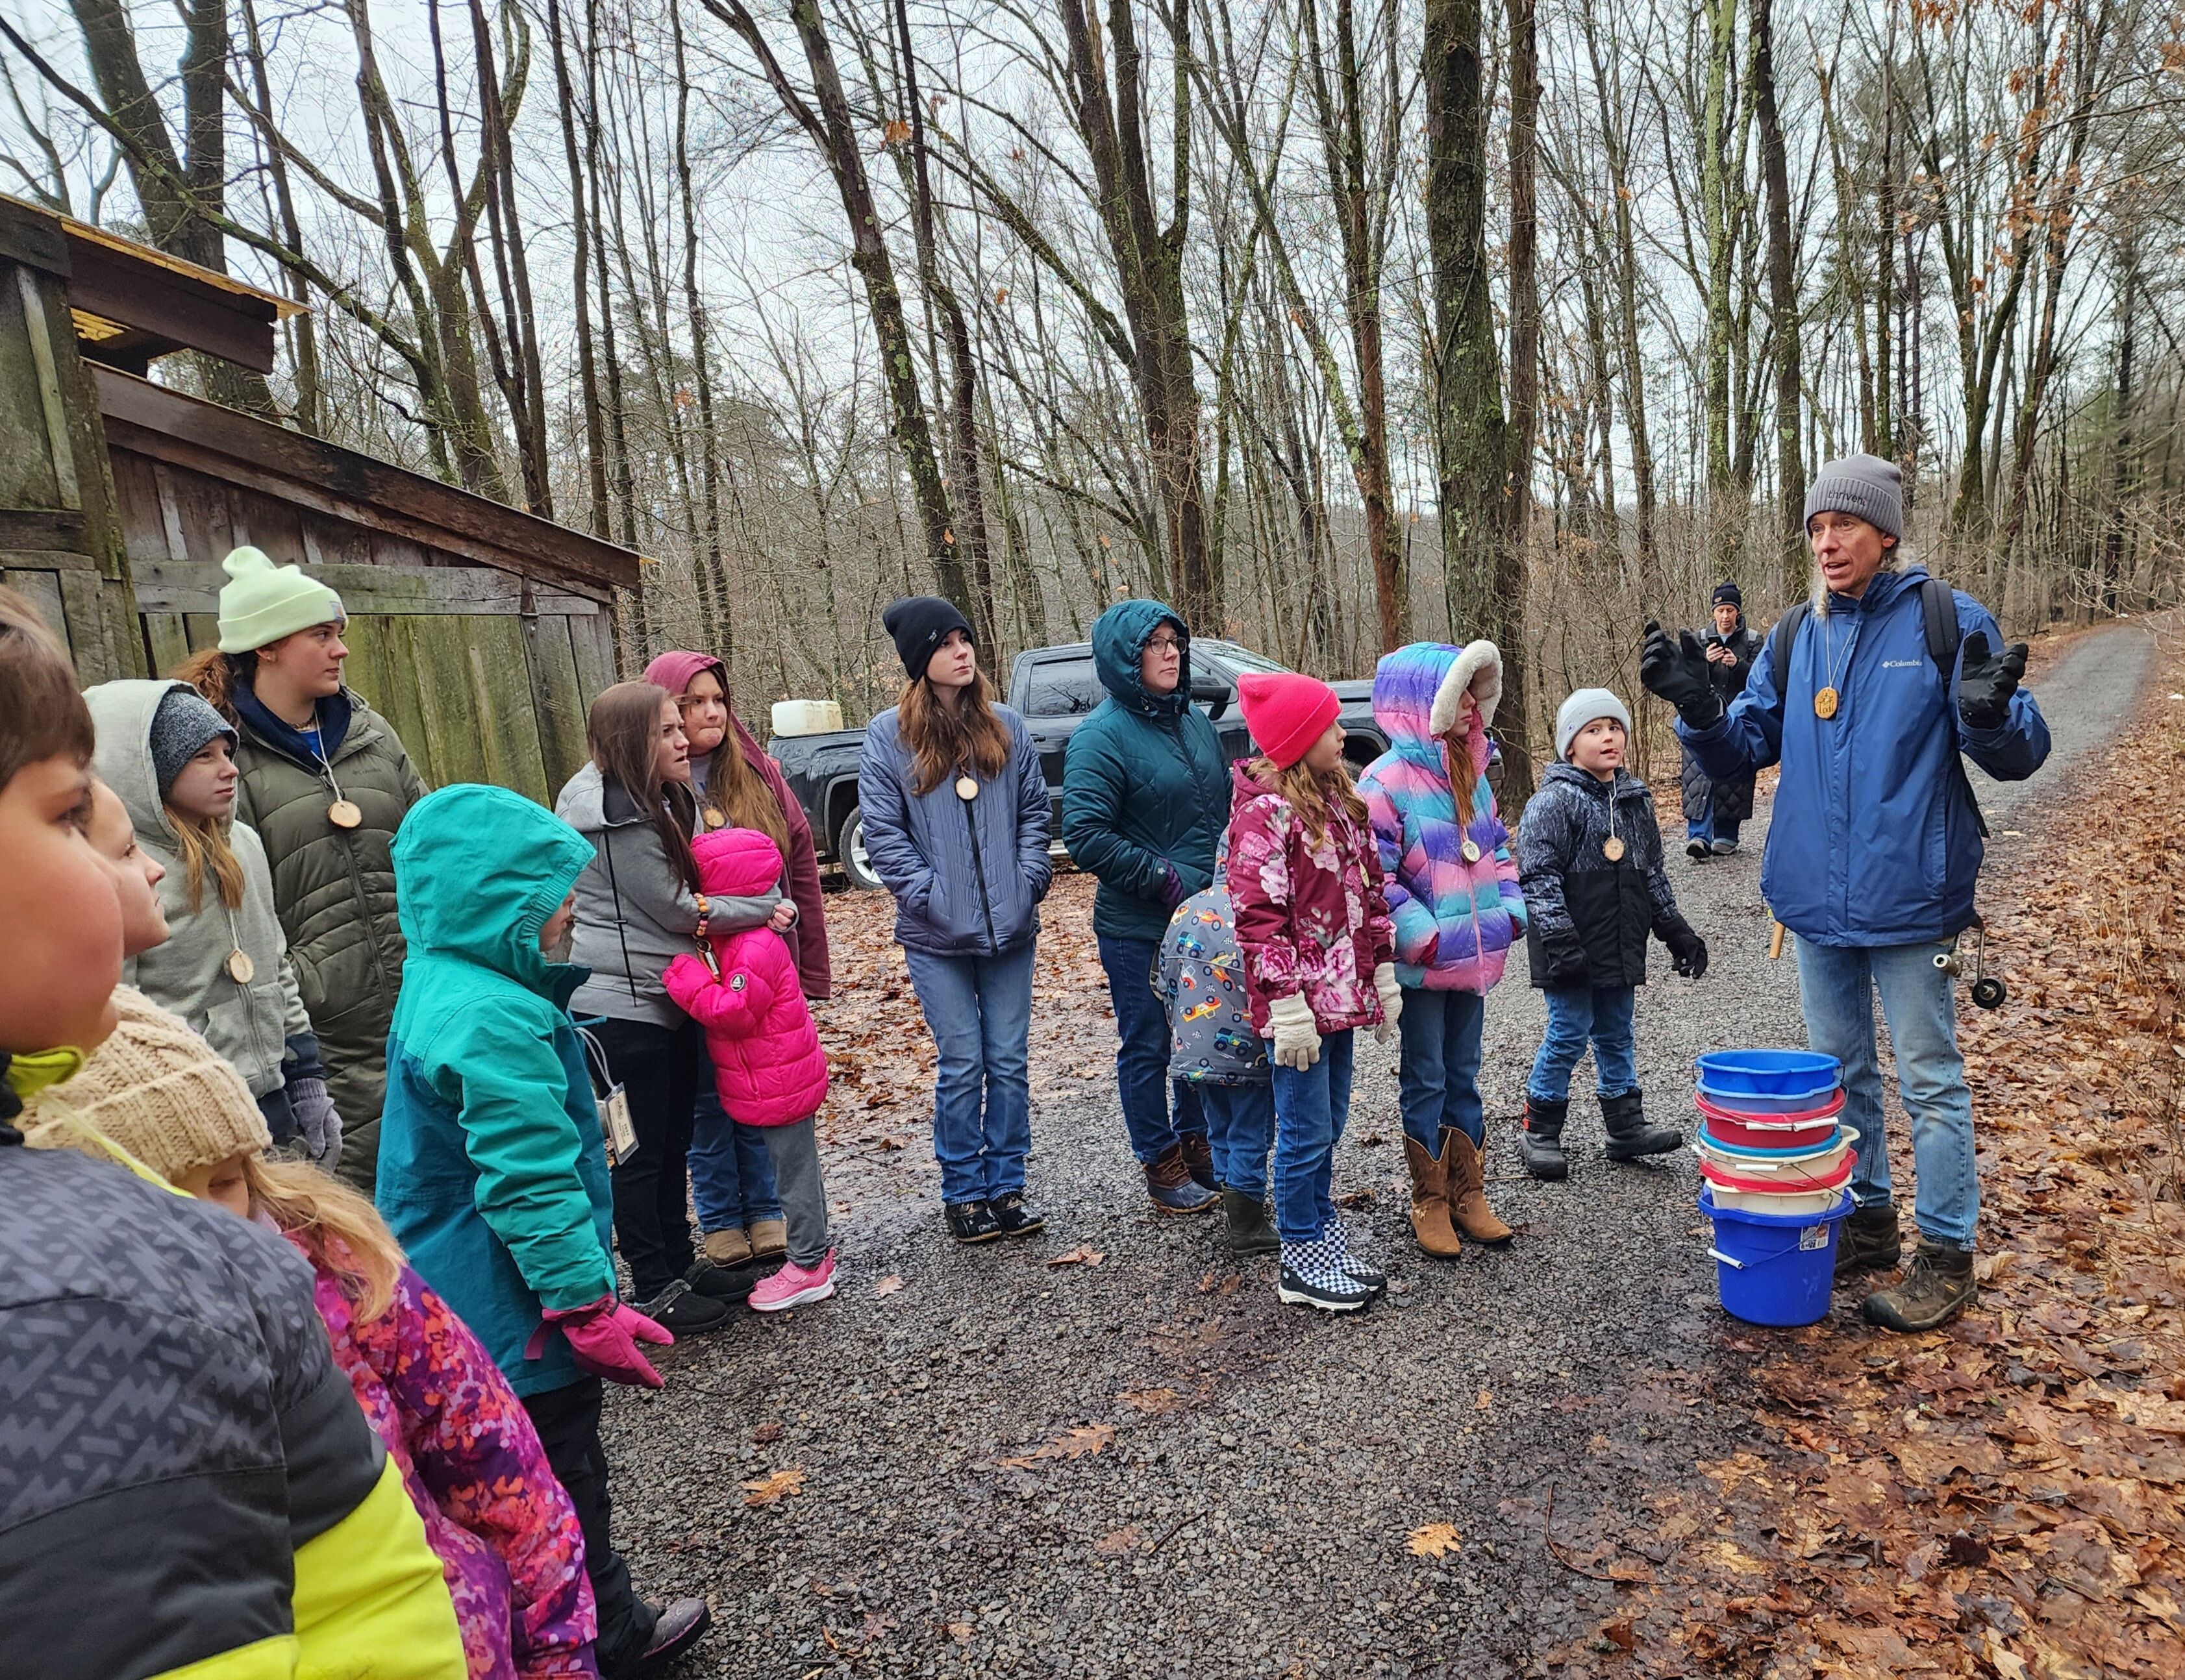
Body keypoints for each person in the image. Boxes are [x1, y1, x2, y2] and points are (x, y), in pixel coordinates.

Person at [0, 587, 468, 1680]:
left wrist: (299, 1057)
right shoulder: (102, 1289)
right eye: (71, 819)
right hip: (171, 1096)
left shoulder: (282, 809)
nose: (138, 899)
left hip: (294, 1056)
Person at [25, 1003, 599, 1680]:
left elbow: (501, 1471)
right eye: (164, 1204)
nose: (210, 1226)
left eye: (223, 1182)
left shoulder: (344, 1273)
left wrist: (558, 1653)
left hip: (454, 1641)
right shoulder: (64, 1377)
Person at [1642, 454, 2049, 1331]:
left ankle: (1947, 1254)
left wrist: (1988, 715)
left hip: (1914, 901)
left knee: (1932, 1080)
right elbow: (1745, 748)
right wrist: (1702, 714)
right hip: (1815, 905)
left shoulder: (1946, 620)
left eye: (1845, 526)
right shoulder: (1796, 633)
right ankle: (1866, 1225)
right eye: (1816, 528)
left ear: (1886, 534)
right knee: (1839, 1076)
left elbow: (2021, 752)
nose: (1827, 542)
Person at [379, 782, 714, 1679]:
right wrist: (583, 1303)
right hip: (509, 1312)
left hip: (457, 1297)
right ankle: (602, 1638)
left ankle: (563, 1630)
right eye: (553, 895)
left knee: (505, 1490)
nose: (570, 909)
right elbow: (529, 1182)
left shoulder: (447, 980)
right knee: (562, 1479)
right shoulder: (495, 1019)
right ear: (498, 904)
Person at [175, 544, 427, 1192]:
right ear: (265, 646)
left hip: (416, 1002)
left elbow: (429, 849)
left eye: (339, 633)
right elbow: (230, 906)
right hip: (322, 1031)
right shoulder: (226, 763)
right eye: (321, 634)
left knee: (443, 1185)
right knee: (354, 1202)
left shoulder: (373, 736)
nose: (340, 649)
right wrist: (303, 1001)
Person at [555, 682, 785, 1333]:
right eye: (666, 731)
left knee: (674, 1137)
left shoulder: (656, 797)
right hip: (620, 1009)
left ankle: (683, 1263)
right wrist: (765, 909)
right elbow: (677, 906)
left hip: (670, 993)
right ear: (632, 741)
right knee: (639, 1151)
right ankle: (653, 1284)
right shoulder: (615, 815)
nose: (684, 740)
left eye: (679, 727)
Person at [857, 596, 1053, 1244]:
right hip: (936, 935)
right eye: (945, 643)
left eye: (965, 638)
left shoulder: (1007, 726)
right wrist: (931, 896)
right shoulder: (888, 735)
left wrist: (1025, 884)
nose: (961, 651)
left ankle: (1006, 1184)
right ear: (922, 659)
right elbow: (883, 837)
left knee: (1008, 1058)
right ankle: (963, 1191)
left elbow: (1033, 816)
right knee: (963, 1059)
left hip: (1010, 929)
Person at [86, 678, 341, 1163]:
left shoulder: (242, 844)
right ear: (147, 769)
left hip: (273, 1093)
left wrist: (308, 1080)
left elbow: (275, 964)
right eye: (203, 757)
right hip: (189, 1107)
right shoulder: (125, 869)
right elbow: (120, 1007)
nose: (229, 770)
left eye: (228, 752)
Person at [643, 650, 834, 1272]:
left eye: (717, 700)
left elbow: (798, 862)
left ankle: (769, 1212)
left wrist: (805, 956)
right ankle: (724, 1218)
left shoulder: (758, 772)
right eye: (692, 702)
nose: (709, 713)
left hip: (762, 959)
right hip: (694, 965)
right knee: (707, 1093)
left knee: (765, 1086)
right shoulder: (652, 785)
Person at [1227, 671, 1397, 1313]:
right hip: (1299, 1008)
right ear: (1295, 739)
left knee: (1329, 1123)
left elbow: (1370, 890)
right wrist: (1286, 1002)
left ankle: (1321, 1230)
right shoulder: (1265, 811)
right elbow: (1257, 915)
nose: (1340, 733)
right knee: (1300, 1130)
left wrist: (1380, 968)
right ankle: (1299, 1252)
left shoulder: (1342, 799)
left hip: (1342, 997)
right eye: (1326, 726)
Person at [1060, 599, 1230, 1215]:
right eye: (1153, 644)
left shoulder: (1193, 723)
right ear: (1123, 659)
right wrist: (1166, 878)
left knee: (1200, 1037)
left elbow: (1219, 806)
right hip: (1139, 923)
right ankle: (1159, 1161)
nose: (1169, 652)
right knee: (1148, 1043)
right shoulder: (1100, 738)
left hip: (1203, 921)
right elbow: (1085, 835)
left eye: (1174, 642)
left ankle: (1197, 1142)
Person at [1357, 641, 1524, 1258]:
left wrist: (1511, 910)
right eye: (1457, 693)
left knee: (1465, 1074)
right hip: (1426, 966)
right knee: (1425, 1076)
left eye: (1474, 694)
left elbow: (1498, 850)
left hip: (1474, 959)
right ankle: (1427, 1199)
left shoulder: (1472, 775)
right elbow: (1376, 877)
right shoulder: (1385, 781)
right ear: (1420, 705)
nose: (1470, 706)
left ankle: (1467, 1191)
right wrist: (1421, 934)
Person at [1515, 689, 1708, 1181]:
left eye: (1615, 727)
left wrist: (1675, 930)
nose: (1609, 737)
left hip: (1618, 939)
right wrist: (1560, 940)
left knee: (1616, 1034)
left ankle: (1624, 1126)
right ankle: (1539, 1128)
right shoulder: (1552, 802)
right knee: (1567, 1033)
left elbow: (1652, 875)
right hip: (1571, 943)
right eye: (1593, 730)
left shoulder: (1635, 800)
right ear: (1569, 745)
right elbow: (1537, 878)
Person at [664, 827, 837, 1313]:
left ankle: (808, 1264)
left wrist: (687, 978)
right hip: (770, 1077)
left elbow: (735, 1011)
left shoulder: (752, 946)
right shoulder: (739, 941)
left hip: (779, 1080)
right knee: (796, 1169)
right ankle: (815, 1254)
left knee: (794, 1174)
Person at [1157, 830, 1275, 1256]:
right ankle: (1246, 1220)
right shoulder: (1261, 911)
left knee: (1219, 1126)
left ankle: (1233, 1200)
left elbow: (1164, 981)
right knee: (1250, 1131)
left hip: (1194, 1049)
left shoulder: (1187, 909)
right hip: (1247, 1052)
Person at [1678, 583, 1765, 859]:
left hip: (1737, 717)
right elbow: (1683, 678)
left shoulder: (1753, 640)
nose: (1725, 616)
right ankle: (1698, 836)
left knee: (1733, 774)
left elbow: (1761, 679)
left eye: (1730, 610)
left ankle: (1727, 833)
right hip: (1701, 717)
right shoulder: (1699, 639)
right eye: (1720, 610)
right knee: (1697, 773)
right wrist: (1704, 662)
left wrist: (1736, 665)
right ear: (1713, 612)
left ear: (1738, 612)